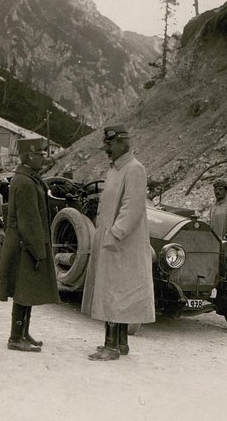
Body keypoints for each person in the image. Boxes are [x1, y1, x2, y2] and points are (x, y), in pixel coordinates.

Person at [81, 125, 155, 361]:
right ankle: (120, 343)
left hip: (121, 243)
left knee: (115, 292)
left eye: (109, 144)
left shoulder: (134, 169)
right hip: (111, 239)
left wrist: (114, 235)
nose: (106, 148)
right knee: (113, 291)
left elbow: (131, 209)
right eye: (105, 144)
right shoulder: (115, 170)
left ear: (124, 142)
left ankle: (111, 346)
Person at [0, 138, 59, 353]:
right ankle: (15, 337)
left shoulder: (29, 178)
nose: (44, 157)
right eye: (40, 154)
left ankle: (23, 333)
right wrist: (38, 251)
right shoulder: (25, 181)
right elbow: (28, 221)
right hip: (25, 246)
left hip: (26, 244)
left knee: (27, 290)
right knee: (23, 290)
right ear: (29, 156)